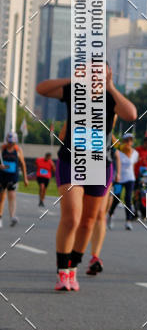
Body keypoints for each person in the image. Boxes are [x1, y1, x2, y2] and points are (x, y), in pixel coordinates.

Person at [36, 66, 137, 291]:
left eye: (101, 71)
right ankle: (62, 272)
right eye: (92, 70)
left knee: (89, 220)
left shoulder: (110, 97)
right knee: (72, 217)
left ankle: (73, 267)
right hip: (72, 160)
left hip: (100, 164)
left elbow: (131, 114)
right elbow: (41, 89)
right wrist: (73, 78)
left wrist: (111, 87)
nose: (96, 75)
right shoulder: (75, 90)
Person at [86, 132, 122, 275]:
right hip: (80, 164)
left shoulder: (109, 134)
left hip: (103, 168)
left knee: (100, 214)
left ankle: (95, 257)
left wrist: (118, 174)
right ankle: (70, 255)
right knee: (80, 215)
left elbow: (118, 153)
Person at [107, 133, 138, 231]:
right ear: (123, 141)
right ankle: (110, 214)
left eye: (131, 140)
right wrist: (116, 174)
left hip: (130, 179)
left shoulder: (135, 153)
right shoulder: (118, 152)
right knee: (117, 198)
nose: (129, 142)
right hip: (119, 179)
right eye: (127, 140)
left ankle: (128, 221)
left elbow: (133, 166)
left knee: (128, 199)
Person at [0, 132, 29, 227]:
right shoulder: (2, 149)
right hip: (2, 176)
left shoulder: (18, 150)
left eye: (12, 142)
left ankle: (12, 217)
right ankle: (0, 217)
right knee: (1, 197)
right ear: (6, 140)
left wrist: (25, 178)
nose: (10, 144)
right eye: (9, 142)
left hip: (13, 177)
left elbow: (23, 164)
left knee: (12, 196)